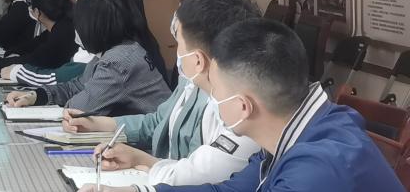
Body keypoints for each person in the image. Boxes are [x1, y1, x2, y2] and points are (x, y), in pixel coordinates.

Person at [79, 18, 404, 192]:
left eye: (215, 89)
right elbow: (231, 191)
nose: (211, 96)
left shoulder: (316, 171)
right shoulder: (295, 130)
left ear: (243, 106)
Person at [63, 0, 262, 188]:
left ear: (198, 59)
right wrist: (100, 126)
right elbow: (158, 121)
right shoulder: (192, 82)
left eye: (179, 43)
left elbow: (199, 176)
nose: (177, 52)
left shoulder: (235, 105)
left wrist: (141, 163)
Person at [5, 0, 171, 116]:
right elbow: (76, 86)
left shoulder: (117, 61)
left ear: (91, 27)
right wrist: (35, 96)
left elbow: (80, 108)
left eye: (78, 24)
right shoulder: (114, 51)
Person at [78, 0, 170, 87]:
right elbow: (81, 84)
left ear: (100, 2)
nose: (77, 1)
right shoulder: (129, 38)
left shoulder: (121, 55)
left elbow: (87, 94)